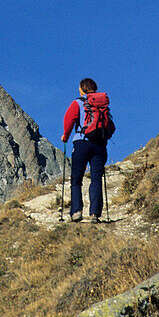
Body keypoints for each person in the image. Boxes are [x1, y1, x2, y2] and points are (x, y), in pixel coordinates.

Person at [61, 78, 107, 223]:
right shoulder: (102, 104)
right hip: (99, 145)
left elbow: (69, 120)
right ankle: (94, 214)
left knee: (76, 179)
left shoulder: (78, 103)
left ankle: (76, 211)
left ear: (81, 89)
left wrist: (65, 136)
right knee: (96, 179)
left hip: (82, 143)